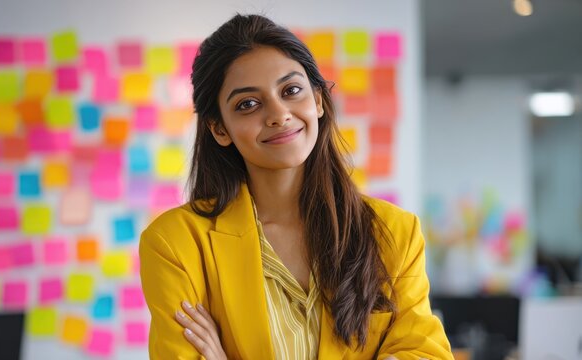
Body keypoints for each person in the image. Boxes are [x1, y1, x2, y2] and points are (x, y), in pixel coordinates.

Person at [139, 13, 453, 360]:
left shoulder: (395, 234)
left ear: (317, 100)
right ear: (219, 129)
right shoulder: (175, 244)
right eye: (248, 104)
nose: (278, 114)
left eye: (291, 90)